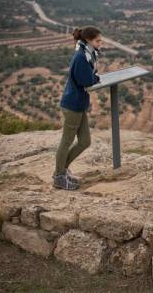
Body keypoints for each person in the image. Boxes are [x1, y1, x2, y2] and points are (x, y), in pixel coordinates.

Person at [53, 26, 102, 190]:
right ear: (88, 40)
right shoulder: (81, 57)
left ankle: (61, 170)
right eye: (97, 41)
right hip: (72, 105)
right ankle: (59, 177)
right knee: (66, 141)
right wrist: (94, 78)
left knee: (85, 141)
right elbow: (88, 80)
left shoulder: (87, 54)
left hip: (79, 104)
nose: (100, 44)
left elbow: (91, 77)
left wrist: (94, 77)